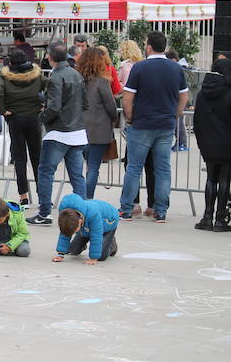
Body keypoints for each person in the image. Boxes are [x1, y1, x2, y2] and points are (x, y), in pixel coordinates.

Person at [119, 31, 187, 223]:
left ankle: (126, 209)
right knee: (163, 168)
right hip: (165, 124)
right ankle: (160, 210)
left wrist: (130, 118)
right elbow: (183, 97)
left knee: (134, 168)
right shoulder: (176, 69)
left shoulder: (140, 67)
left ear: (149, 47)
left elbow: (128, 98)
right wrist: (174, 115)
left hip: (142, 124)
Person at [25, 42, 88, 227]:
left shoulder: (56, 77)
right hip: (77, 131)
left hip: (59, 133)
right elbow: (85, 103)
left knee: (46, 172)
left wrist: (42, 117)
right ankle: (82, 213)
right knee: (77, 176)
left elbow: (54, 107)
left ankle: (45, 212)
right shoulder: (76, 74)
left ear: (50, 57)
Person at [0, 50, 45, 208]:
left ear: (11, 63)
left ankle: (24, 197)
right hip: (34, 118)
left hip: (16, 119)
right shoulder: (36, 75)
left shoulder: (7, 77)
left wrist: (3, 110)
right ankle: (42, 195)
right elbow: (51, 86)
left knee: (20, 159)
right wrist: (44, 104)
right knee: (37, 158)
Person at [192, 58, 231, 232]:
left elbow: (197, 121)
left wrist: (202, 143)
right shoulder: (229, 93)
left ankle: (207, 216)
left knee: (210, 178)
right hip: (227, 143)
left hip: (208, 143)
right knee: (224, 179)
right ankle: (220, 219)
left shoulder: (202, 93)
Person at [77, 48, 118, 199]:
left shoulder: (77, 81)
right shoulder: (102, 82)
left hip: (78, 129)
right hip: (98, 130)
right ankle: (87, 198)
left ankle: (80, 196)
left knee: (79, 168)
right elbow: (111, 105)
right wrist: (114, 118)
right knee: (93, 167)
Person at [53, 194, 119, 265]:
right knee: (73, 250)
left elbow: (96, 236)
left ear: (79, 222)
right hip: (87, 226)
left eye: (74, 231)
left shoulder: (93, 214)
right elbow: (65, 233)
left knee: (101, 256)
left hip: (108, 222)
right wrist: (60, 254)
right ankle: (83, 242)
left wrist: (93, 258)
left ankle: (112, 244)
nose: (72, 234)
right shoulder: (65, 214)